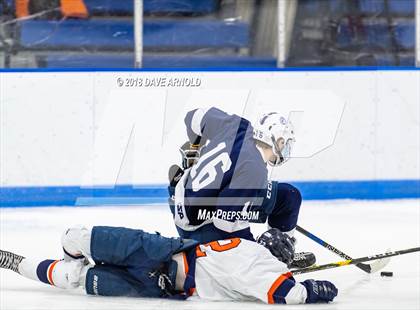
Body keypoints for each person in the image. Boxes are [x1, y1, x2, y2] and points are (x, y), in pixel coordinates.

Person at [0, 225, 337, 304]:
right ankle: (30, 264)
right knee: (77, 271)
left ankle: (17, 263)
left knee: (76, 262)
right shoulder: (260, 263)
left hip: (156, 270)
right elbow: (282, 293)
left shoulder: (248, 248)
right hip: (159, 266)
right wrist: (314, 290)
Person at [168, 107, 313, 267]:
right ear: (273, 138)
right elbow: (225, 224)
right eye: (283, 143)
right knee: (248, 262)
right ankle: (275, 260)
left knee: (288, 197)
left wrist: (195, 146)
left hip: (186, 194)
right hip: (196, 226)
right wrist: (262, 254)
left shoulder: (237, 125)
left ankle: (286, 251)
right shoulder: (253, 170)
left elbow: (193, 116)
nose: (285, 150)